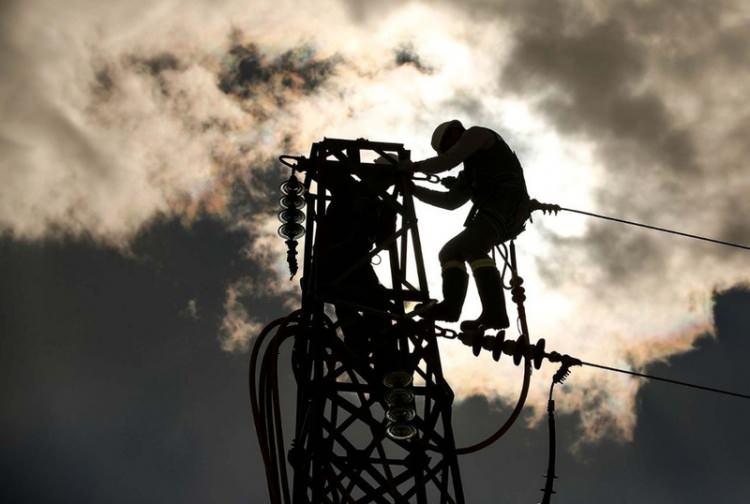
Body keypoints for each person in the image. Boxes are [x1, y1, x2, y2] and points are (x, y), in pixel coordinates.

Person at [405, 119, 530, 330]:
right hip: (500, 210)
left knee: (473, 247)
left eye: (447, 146)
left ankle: (495, 313)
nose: (451, 150)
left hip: (507, 203)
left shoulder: (478, 134)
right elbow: (450, 202)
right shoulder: (470, 171)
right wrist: (415, 191)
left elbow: (447, 161)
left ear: (455, 133)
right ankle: (451, 308)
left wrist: (414, 167)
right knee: (450, 252)